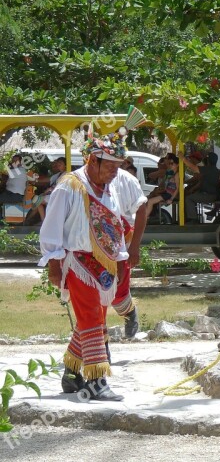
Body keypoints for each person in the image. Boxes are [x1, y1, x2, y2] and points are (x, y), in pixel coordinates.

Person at [38, 114, 147, 401]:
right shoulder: (69, 185)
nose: (114, 171)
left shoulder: (112, 186)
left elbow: (118, 224)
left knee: (96, 317)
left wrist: (123, 257)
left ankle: (71, 373)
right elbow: (51, 227)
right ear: (92, 161)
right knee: (90, 320)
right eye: (109, 166)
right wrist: (53, 262)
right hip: (79, 263)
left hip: (106, 265)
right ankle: (96, 380)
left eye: (117, 166)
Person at [110, 157, 148, 340]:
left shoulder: (127, 180)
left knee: (118, 289)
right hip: (91, 241)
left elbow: (142, 209)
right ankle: (99, 347)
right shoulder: (81, 180)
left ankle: (129, 311)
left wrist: (134, 247)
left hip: (121, 239)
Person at [179, 151, 220, 222]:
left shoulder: (208, 169)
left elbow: (193, 167)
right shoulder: (214, 170)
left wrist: (183, 158)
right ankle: (188, 217)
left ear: (208, 161)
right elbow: (201, 183)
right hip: (209, 194)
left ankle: (193, 219)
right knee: (188, 195)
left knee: (189, 199)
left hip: (208, 195)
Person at [24, 157, 67, 225]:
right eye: (58, 163)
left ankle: (40, 221)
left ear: (65, 165)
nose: (58, 165)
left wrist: (47, 191)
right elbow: (48, 179)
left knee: (38, 201)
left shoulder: (67, 174)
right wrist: (35, 181)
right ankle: (30, 220)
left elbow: (60, 187)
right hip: (52, 195)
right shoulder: (59, 174)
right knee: (37, 202)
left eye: (60, 163)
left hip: (58, 196)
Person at [145, 154, 178, 220]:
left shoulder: (177, 174)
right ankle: (149, 216)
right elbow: (164, 183)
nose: (170, 165)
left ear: (177, 164)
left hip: (169, 194)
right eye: (169, 163)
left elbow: (177, 188)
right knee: (149, 199)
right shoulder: (170, 172)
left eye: (172, 163)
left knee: (150, 201)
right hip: (166, 193)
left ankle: (144, 218)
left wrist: (171, 199)